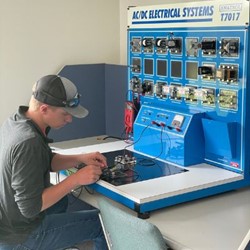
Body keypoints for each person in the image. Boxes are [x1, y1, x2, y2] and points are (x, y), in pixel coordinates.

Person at [0, 75, 108, 250]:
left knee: (60, 202)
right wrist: (76, 179)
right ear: (44, 109)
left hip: (8, 224)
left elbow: (45, 161)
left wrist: (79, 158)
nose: (69, 119)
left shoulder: (17, 121)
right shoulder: (28, 142)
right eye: (65, 114)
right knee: (103, 223)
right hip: (19, 236)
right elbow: (30, 208)